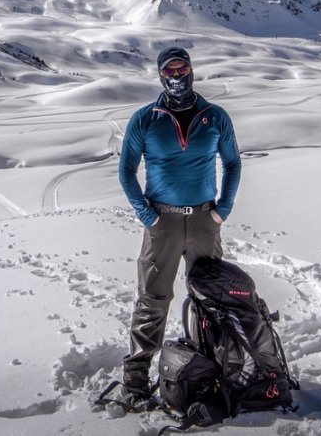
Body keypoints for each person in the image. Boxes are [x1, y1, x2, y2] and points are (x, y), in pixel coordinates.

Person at [116, 45, 242, 410]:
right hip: (162, 222)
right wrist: (146, 215)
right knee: (152, 300)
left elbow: (233, 163)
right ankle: (137, 380)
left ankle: (219, 369)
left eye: (181, 68)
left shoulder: (215, 116)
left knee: (212, 299)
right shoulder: (145, 119)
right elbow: (126, 170)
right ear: (160, 75)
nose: (176, 76)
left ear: (191, 70)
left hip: (204, 220)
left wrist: (223, 209)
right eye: (169, 70)